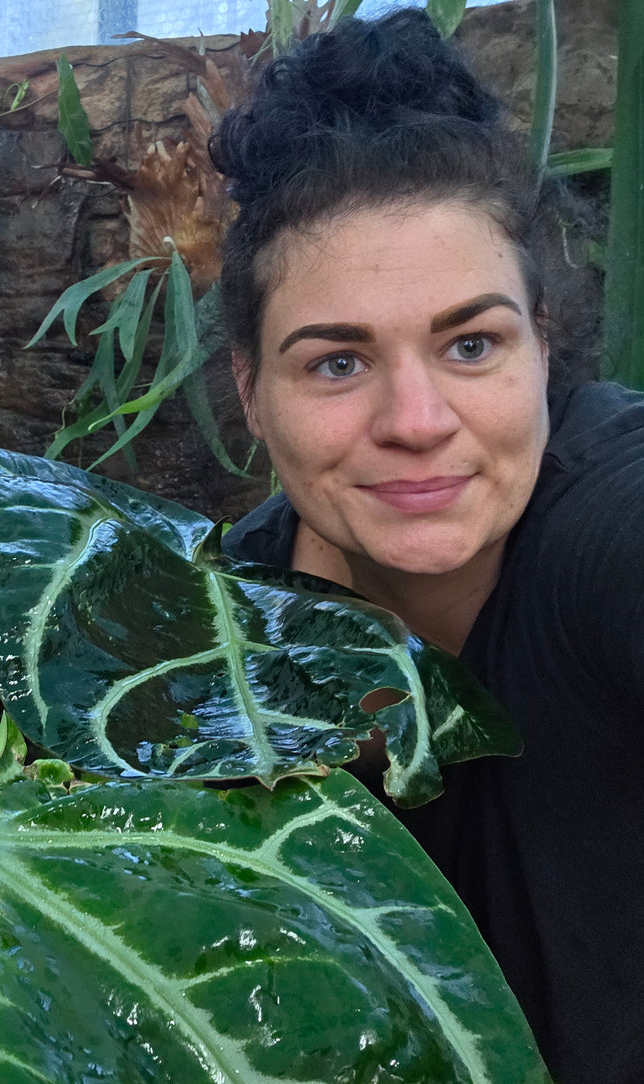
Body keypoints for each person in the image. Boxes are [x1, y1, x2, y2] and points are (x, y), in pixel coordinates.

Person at [210, 10, 644, 1083]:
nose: (414, 418)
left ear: (543, 345)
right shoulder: (215, 633)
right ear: (249, 393)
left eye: (468, 343)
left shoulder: (605, 525)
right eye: (335, 363)